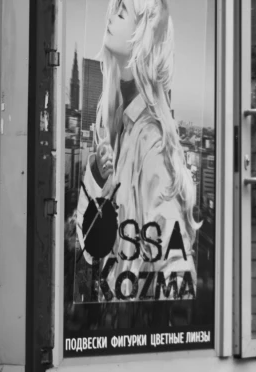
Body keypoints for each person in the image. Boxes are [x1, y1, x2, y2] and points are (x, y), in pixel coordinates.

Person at [73, 0, 201, 306]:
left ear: (142, 36)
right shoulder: (119, 126)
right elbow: (90, 246)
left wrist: (148, 337)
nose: (112, 14)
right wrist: (96, 174)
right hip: (114, 325)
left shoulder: (150, 139)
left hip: (126, 330)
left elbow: (178, 275)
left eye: (123, 9)